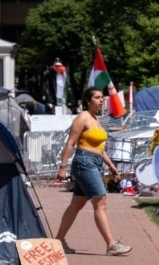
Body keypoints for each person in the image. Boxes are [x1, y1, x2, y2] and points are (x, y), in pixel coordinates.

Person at [54, 88, 132, 256]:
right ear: (88, 100)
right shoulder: (82, 118)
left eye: (102, 98)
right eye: (97, 97)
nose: (101, 100)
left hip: (95, 163)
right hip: (84, 162)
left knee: (76, 204)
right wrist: (62, 167)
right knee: (100, 202)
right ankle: (111, 244)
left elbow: (100, 149)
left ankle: (58, 241)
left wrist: (111, 166)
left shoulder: (96, 119)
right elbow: (70, 143)